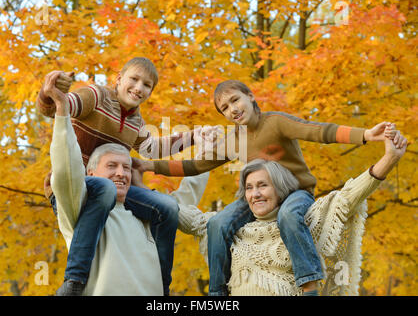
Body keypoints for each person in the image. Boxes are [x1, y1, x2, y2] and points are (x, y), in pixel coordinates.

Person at [133, 79, 401, 295]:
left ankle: (308, 283)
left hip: (295, 192)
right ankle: (218, 292)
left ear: (250, 96)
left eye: (235, 100)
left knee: (288, 216)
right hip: (259, 196)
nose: (232, 110)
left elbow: (319, 131)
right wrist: (149, 166)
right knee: (217, 224)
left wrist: (366, 135)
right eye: (225, 108)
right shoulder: (234, 140)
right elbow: (195, 166)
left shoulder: (276, 122)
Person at [37, 58, 213, 295]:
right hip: (76, 185)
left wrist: (194, 138)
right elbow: (58, 108)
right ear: (119, 79)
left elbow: (152, 148)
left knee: (168, 207)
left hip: (110, 189)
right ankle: (74, 281)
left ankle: (161, 286)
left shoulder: (136, 121)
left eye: (147, 85)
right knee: (104, 188)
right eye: (134, 79)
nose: (139, 88)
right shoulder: (96, 96)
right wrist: (53, 92)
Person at [169, 127, 407, 295]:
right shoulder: (227, 226)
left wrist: (389, 159)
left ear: (280, 189)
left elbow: (347, 197)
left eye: (263, 185)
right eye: (249, 188)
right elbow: (175, 211)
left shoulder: (304, 221)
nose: (255, 194)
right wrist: (134, 183)